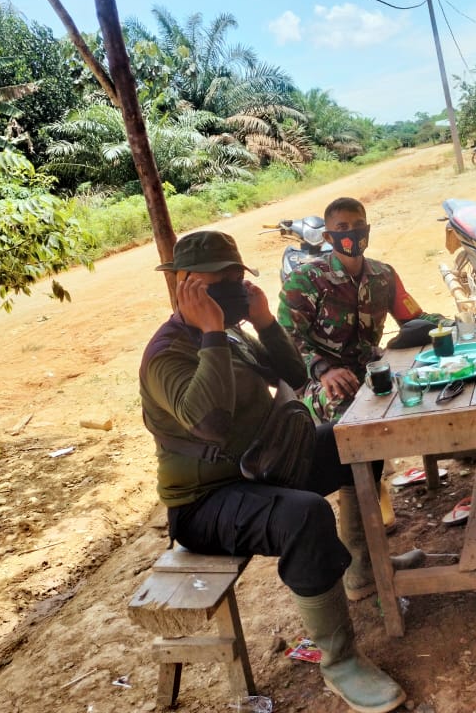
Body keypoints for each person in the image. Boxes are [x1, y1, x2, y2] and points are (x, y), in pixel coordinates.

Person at [139, 230, 408, 713]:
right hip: (206, 502)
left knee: (356, 442)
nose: (231, 289)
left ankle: (362, 570)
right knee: (303, 516)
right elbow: (209, 423)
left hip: (262, 465)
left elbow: (296, 375)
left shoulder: (230, 333)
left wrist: (263, 321)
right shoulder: (167, 353)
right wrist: (212, 333)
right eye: (218, 282)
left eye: (236, 278)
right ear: (184, 285)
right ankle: (340, 662)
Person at [278, 197, 443, 426]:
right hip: (319, 381)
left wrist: (450, 325)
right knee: (345, 406)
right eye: (342, 227)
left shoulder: (383, 274)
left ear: (367, 229)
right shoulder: (306, 279)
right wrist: (323, 370)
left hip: (371, 368)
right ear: (328, 237)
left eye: (358, 225)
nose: (352, 232)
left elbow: (414, 318)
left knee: (428, 380)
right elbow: (285, 341)